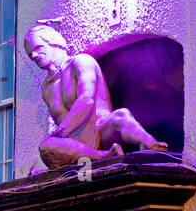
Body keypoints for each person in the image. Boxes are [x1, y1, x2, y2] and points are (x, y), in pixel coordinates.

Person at [23, 22, 166, 169]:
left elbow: (87, 100)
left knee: (121, 115)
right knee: (46, 147)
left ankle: (150, 143)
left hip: (101, 130)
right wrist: (58, 138)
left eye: (38, 48)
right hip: (74, 145)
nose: (34, 56)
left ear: (53, 43)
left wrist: (60, 132)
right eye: (30, 54)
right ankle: (105, 157)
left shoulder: (80, 62)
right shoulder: (46, 88)